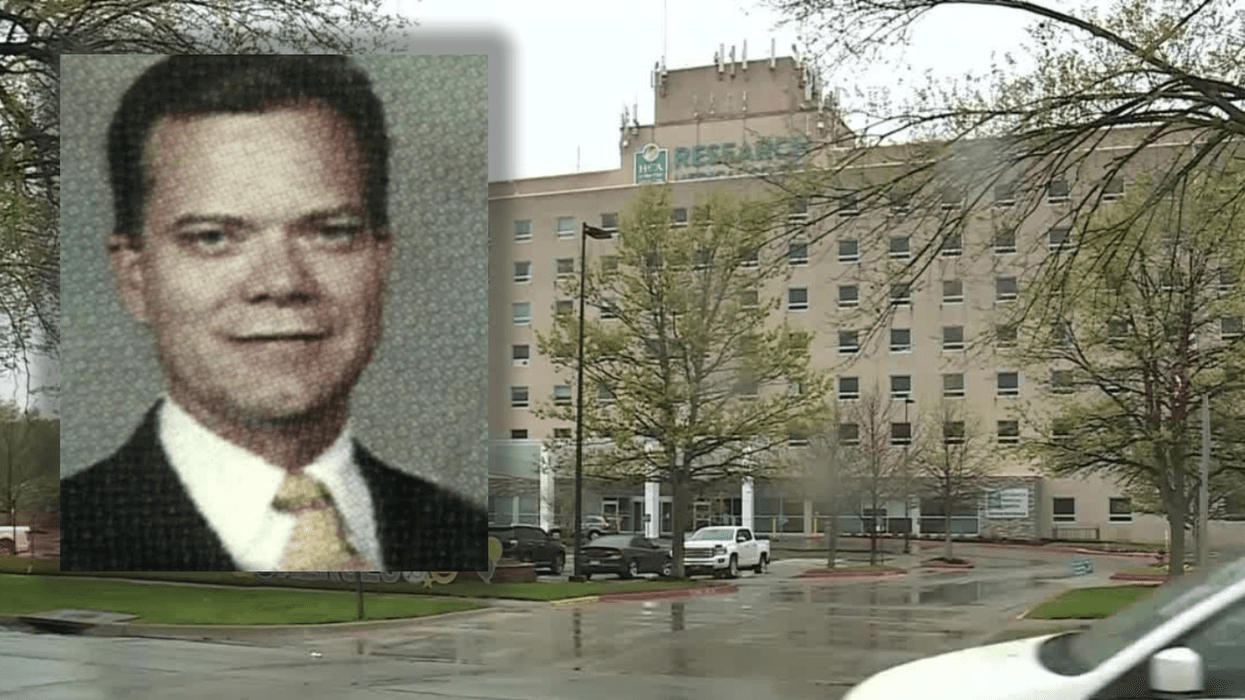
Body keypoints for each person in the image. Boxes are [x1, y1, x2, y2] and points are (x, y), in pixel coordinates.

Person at [60, 56, 488, 572]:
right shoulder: (67, 539)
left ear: (381, 260)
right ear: (136, 277)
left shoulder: (464, 537)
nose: (281, 282)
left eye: (329, 232)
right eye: (214, 238)